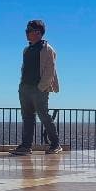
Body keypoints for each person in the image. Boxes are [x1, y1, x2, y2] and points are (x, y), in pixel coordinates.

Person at [9, 19, 62, 156]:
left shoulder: (47, 49)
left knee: (44, 116)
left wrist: (41, 87)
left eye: (29, 31)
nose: (26, 33)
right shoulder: (26, 49)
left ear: (38, 33)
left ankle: (55, 144)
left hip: (39, 89)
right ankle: (26, 146)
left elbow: (50, 71)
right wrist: (22, 86)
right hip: (25, 88)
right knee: (27, 117)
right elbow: (24, 68)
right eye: (26, 31)